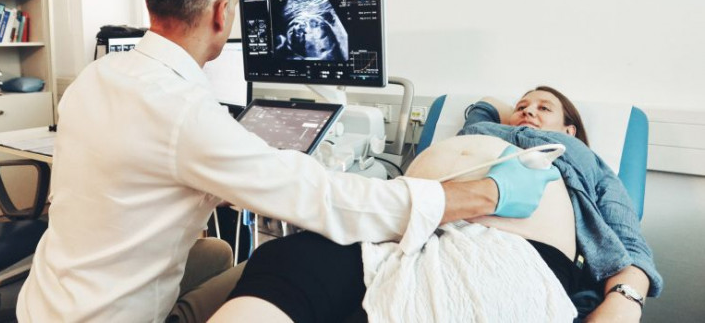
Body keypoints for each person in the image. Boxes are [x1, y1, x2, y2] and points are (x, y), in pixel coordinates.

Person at [14, 0, 560, 323]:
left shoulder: (98, 75)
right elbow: (323, 199)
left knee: (224, 254)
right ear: (223, 13)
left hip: (45, 302)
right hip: (108, 316)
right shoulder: (184, 111)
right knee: (277, 261)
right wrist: (482, 194)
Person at [212, 86, 662, 322]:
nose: (528, 110)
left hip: (515, 250)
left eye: (545, 108)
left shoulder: (581, 157)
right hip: (411, 229)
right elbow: (483, 107)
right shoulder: (484, 127)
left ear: (569, 130)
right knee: (288, 257)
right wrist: (508, 112)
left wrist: (625, 301)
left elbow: (628, 238)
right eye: (522, 104)